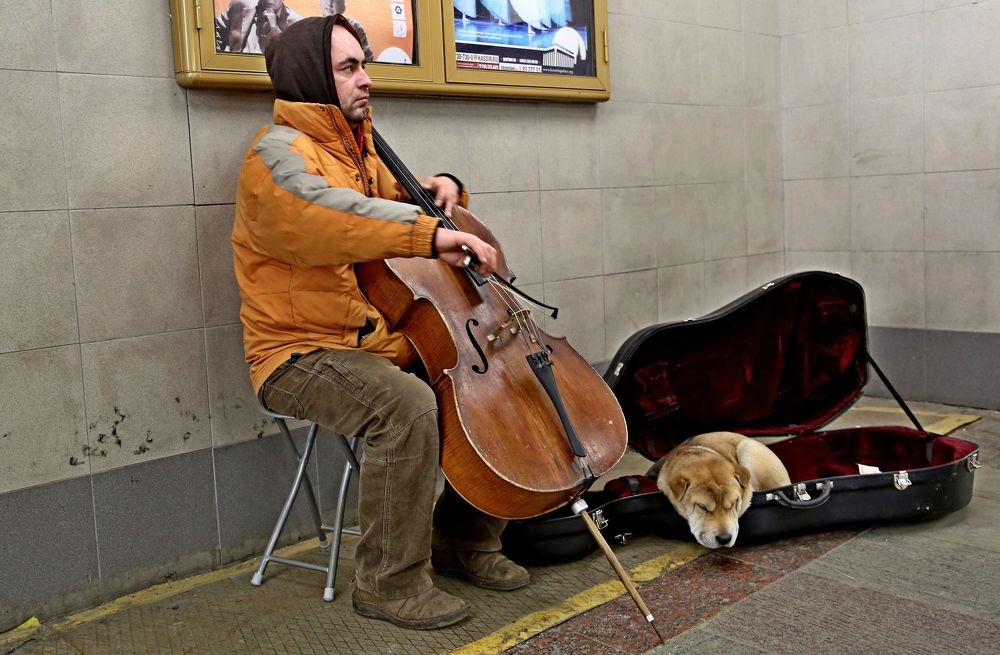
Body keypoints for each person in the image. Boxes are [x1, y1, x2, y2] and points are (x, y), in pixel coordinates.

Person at [230, 15, 530, 630]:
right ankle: (389, 585)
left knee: (491, 383)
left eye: (364, 64)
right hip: (297, 353)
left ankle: (462, 538)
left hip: (373, 340)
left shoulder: (360, 149)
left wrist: (441, 189)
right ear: (313, 78)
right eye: (349, 68)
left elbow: (396, 202)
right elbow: (337, 214)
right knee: (408, 407)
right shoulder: (275, 159)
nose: (366, 79)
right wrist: (429, 235)